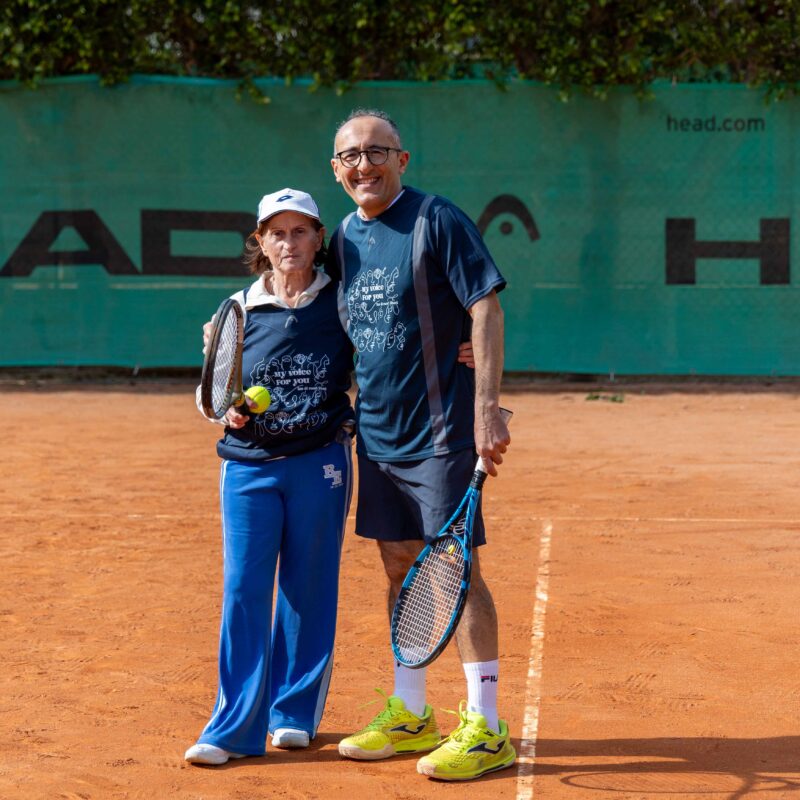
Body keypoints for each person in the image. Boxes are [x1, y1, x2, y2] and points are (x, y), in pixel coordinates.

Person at [328, 109, 515, 781]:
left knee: (456, 571)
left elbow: (485, 306)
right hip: (377, 437)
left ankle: (486, 728)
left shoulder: (437, 219)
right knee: (399, 568)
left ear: (401, 160)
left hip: (440, 435)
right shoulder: (341, 239)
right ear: (337, 170)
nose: (365, 165)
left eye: (377, 152)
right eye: (351, 156)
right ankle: (411, 713)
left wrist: (487, 409)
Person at [184, 188, 355, 766]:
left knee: (309, 587)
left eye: (300, 231)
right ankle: (233, 729)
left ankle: (293, 713)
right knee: (244, 590)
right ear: (260, 241)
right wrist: (226, 410)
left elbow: (386, 358)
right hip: (248, 469)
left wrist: (459, 348)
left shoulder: (343, 302)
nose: (289, 243)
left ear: (318, 238)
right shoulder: (237, 310)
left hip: (320, 463)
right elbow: (210, 394)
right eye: (277, 233)